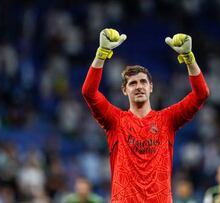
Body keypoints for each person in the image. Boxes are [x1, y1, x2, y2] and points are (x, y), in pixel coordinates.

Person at [82, 28, 210, 202]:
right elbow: (89, 92)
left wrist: (189, 58)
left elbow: (201, 94)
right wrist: (102, 54)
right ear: (124, 90)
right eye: (132, 83)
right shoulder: (115, 120)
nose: (139, 86)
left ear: (151, 87)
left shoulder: (167, 120)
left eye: (143, 82)